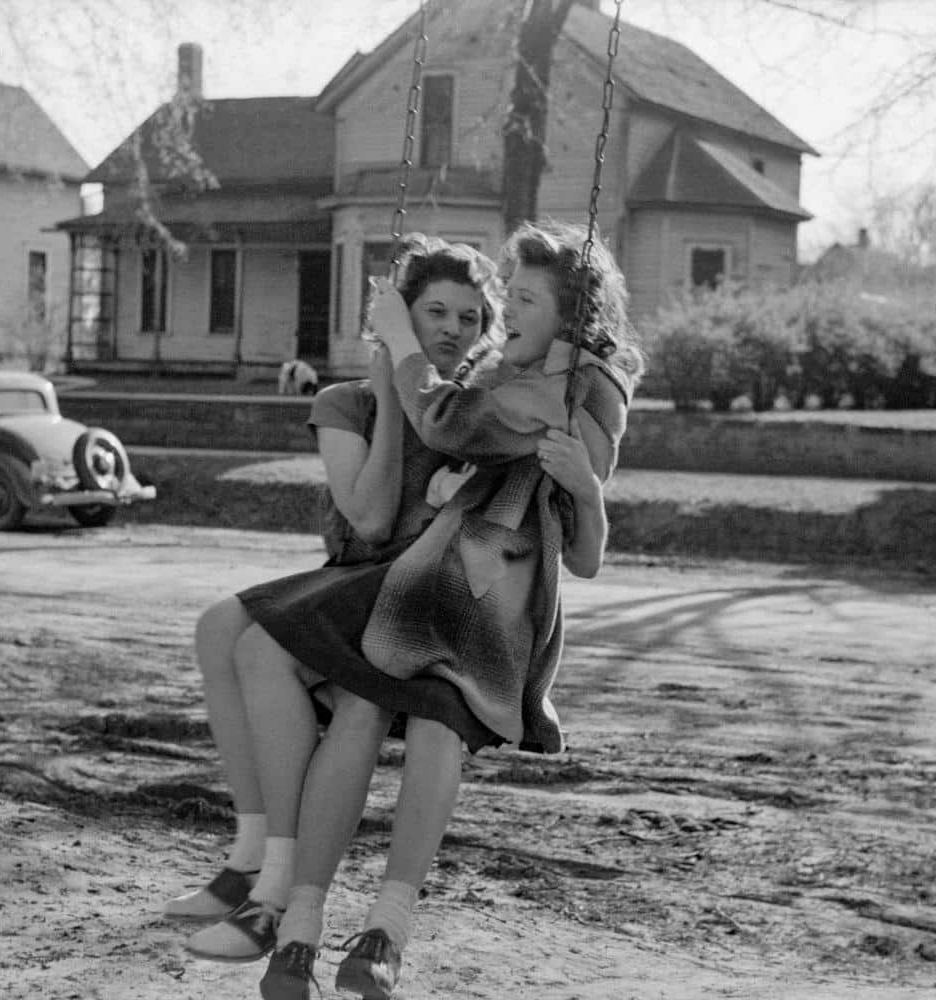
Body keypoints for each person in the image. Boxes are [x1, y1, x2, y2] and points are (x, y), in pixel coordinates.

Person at [230, 219, 645, 1000]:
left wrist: (588, 491)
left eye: (521, 298)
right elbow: (458, 441)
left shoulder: (569, 391)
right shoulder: (505, 371)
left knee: (433, 724)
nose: (503, 313)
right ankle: (298, 931)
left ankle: (384, 935)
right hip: (425, 586)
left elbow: (581, 551)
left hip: (490, 611)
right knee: (353, 704)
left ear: (565, 315)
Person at [167, 237, 499, 956]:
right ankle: (250, 851)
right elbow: (368, 516)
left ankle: (274, 889)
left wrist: (409, 400)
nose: (451, 329)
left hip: (408, 600)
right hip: (350, 577)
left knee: (265, 648)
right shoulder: (344, 403)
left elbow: (390, 528)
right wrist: (385, 394)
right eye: (434, 312)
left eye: (469, 319)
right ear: (400, 320)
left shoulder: (468, 416)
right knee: (216, 627)